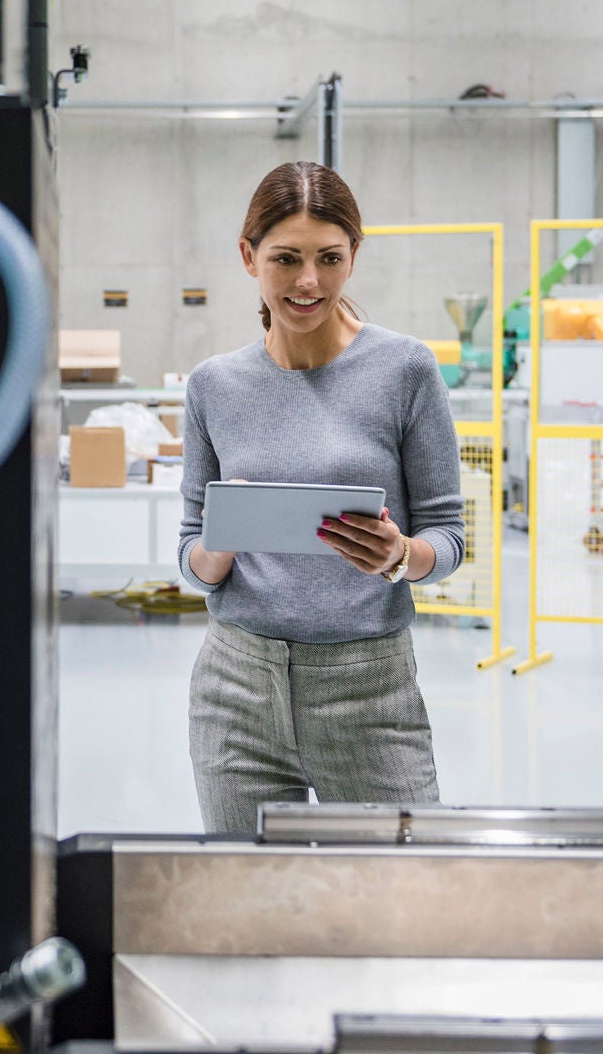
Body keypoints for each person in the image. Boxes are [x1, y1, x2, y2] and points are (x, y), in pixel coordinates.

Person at [176, 161, 464, 836]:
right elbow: (191, 558)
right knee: (250, 908)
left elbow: (448, 537)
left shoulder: (405, 370)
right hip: (235, 687)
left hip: (368, 687)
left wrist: (401, 554)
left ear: (354, 256)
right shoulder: (214, 386)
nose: (309, 281)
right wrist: (220, 543)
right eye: (286, 258)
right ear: (249, 257)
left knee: (399, 902)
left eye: (330, 258)